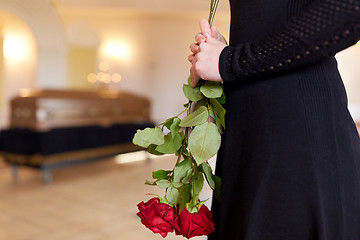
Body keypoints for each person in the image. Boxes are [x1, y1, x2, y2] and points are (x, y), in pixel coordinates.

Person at [188, 0, 360, 239]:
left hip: (293, 127)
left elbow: (350, 9)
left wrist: (231, 60)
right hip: (248, 127)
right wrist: (220, 55)